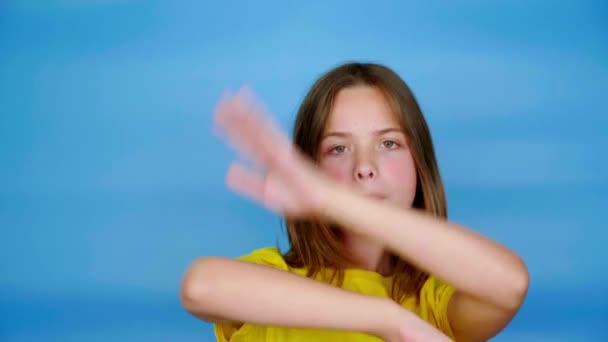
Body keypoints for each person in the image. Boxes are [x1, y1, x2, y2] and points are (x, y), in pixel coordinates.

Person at [180, 62, 529, 341]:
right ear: (311, 166)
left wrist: (331, 197)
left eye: (389, 143)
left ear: (419, 162)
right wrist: (388, 320)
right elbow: (201, 287)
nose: (364, 168)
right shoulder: (278, 276)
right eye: (338, 148)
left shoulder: (434, 302)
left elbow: (509, 284)